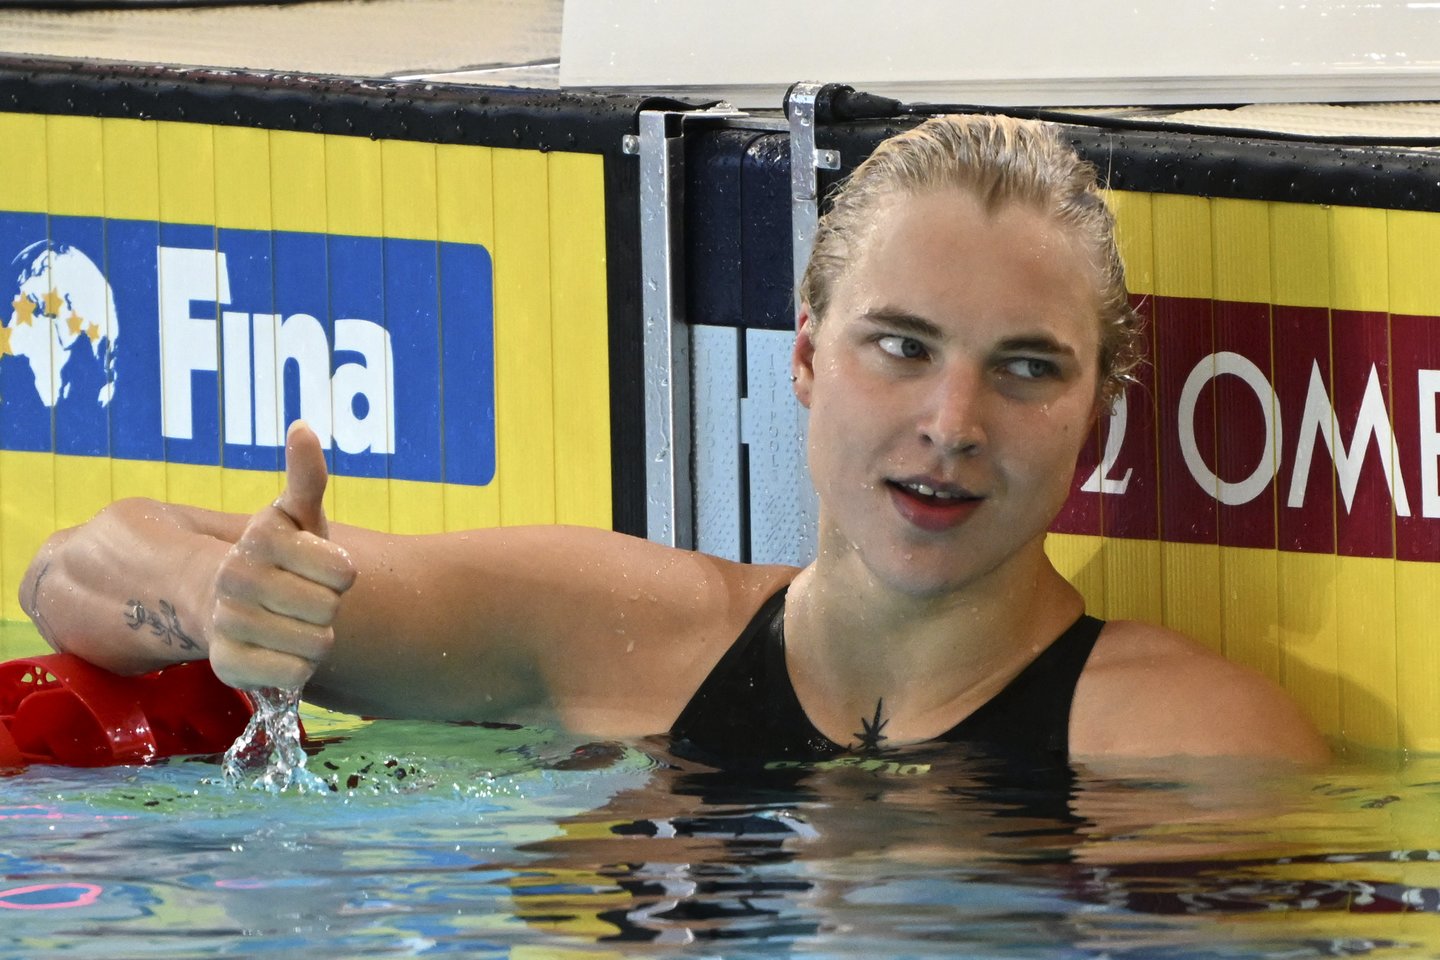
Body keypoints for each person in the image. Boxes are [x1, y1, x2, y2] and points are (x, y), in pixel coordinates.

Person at [18, 115, 1328, 765]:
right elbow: (67, 569)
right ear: (805, 358)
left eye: (1027, 369)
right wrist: (217, 599)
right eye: (900, 346)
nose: (951, 424)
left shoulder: (1187, 742)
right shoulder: (621, 637)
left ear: (1096, 421)